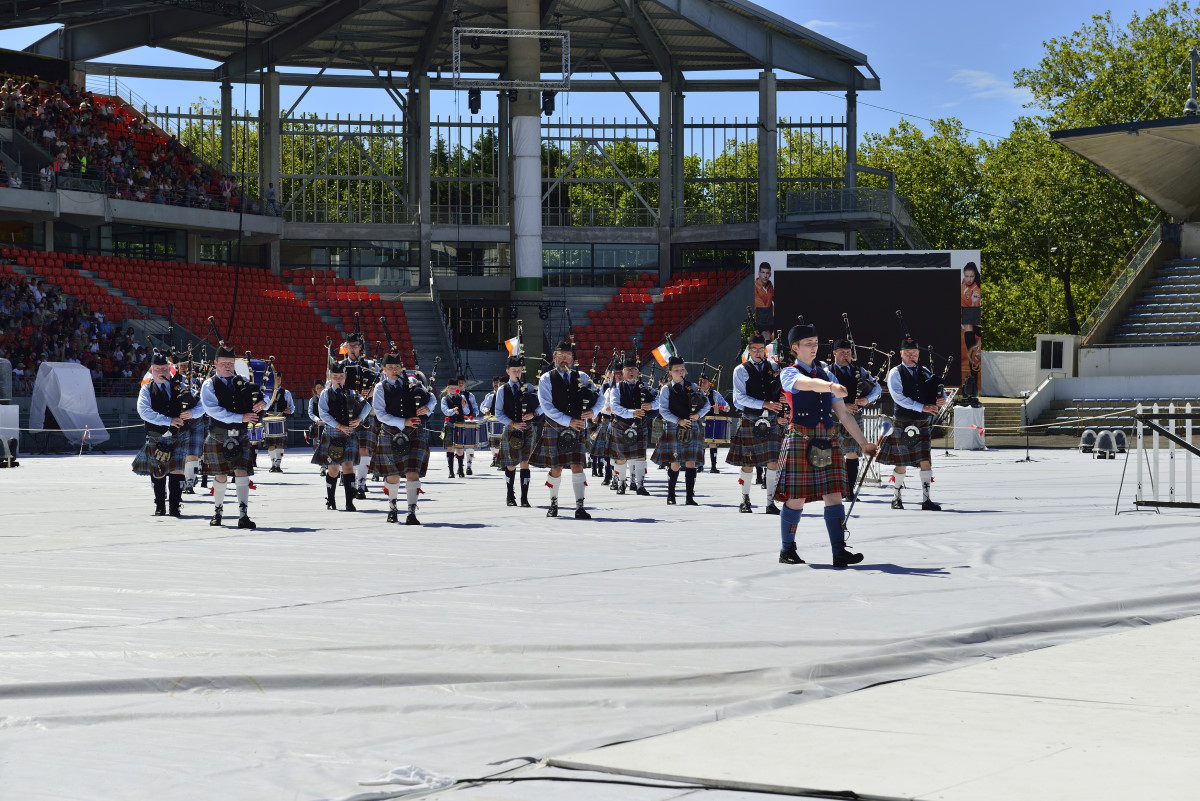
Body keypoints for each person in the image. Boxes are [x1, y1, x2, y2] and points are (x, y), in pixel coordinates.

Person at [774, 322, 877, 567]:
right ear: (795, 348)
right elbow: (806, 385)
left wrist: (863, 443)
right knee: (796, 498)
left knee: (833, 495)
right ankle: (787, 550)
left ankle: (839, 551)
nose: (814, 347)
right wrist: (831, 386)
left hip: (825, 440)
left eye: (816, 343)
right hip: (800, 437)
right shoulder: (789, 373)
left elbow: (843, 413)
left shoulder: (826, 373)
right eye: (808, 344)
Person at [200, 344, 268, 528]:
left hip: (241, 434)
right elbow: (214, 411)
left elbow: (260, 395)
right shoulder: (209, 385)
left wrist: (264, 403)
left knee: (242, 473)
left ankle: (243, 515)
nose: (228, 366)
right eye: (224, 363)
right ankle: (218, 512)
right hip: (219, 434)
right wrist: (241, 417)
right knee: (221, 475)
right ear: (215, 364)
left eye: (231, 363)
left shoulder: (243, 381)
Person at [879, 336, 947, 511]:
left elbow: (938, 389)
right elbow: (898, 398)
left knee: (926, 462)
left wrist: (942, 399)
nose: (912, 356)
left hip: (922, 423)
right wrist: (922, 407)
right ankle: (896, 498)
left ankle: (926, 500)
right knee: (901, 463)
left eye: (915, 353)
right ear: (901, 354)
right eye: (908, 353)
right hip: (903, 421)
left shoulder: (924, 371)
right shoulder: (895, 372)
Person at [531, 340, 597, 519]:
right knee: (556, 468)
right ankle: (553, 504)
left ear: (572, 358)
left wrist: (594, 411)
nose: (564, 359)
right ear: (554, 357)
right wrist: (569, 421)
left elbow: (599, 398)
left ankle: (580, 507)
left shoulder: (582, 377)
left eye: (567, 356)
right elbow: (546, 407)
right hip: (555, 426)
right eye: (560, 356)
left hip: (576, 428)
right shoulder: (546, 378)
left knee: (578, 466)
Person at [371, 353, 435, 524]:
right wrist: (403, 421)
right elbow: (380, 414)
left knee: (413, 473)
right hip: (391, 432)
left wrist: (427, 407)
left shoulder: (412, 381)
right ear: (384, 369)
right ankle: (392, 508)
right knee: (392, 475)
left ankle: (411, 512)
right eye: (390, 368)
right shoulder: (380, 388)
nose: (394, 370)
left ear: (401, 368)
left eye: (397, 367)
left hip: (414, 432)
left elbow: (432, 398)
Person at [131, 351, 196, 516]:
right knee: (158, 471)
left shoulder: (179, 386)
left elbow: (199, 404)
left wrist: (192, 413)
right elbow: (143, 411)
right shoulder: (146, 389)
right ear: (151, 370)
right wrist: (168, 420)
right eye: (157, 368)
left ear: (169, 369)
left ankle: (174, 507)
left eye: (164, 368)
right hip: (156, 435)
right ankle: (160, 505)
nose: (161, 371)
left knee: (177, 470)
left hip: (180, 435)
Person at [727, 334, 785, 514]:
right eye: (755, 349)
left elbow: (779, 391)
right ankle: (745, 500)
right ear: (749, 350)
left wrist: (782, 398)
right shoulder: (741, 370)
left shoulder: (774, 367)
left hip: (772, 420)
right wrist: (764, 404)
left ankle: (770, 502)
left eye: (762, 349)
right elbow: (739, 397)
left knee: (773, 462)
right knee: (748, 463)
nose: (759, 352)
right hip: (751, 418)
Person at [827, 339, 882, 500]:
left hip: (854, 417)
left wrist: (867, 399)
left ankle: (849, 492)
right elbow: (820, 398)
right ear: (834, 353)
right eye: (842, 353)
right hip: (833, 418)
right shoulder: (826, 372)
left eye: (848, 353)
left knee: (852, 454)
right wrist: (843, 406)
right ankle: (834, 491)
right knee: (833, 455)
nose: (846, 356)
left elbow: (877, 388)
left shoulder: (860, 371)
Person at [653, 356, 711, 505]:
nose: (680, 372)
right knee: (675, 462)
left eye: (682, 369)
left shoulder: (692, 387)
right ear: (670, 372)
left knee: (691, 462)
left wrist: (698, 415)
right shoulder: (666, 389)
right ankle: (671, 495)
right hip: (674, 426)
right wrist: (679, 421)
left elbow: (707, 404)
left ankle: (689, 497)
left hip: (692, 426)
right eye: (677, 370)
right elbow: (663, 411)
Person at [316, 360, 372, 512]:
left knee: (348, 467)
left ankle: (349, 502)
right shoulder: (325, 394)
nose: (338, 378)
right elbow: (323, 414)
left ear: (345, 376)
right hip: (334, 433)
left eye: (341, 375)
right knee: (333, 469)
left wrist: (360, 419)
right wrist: (339, 426)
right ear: (330, 376)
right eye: (335, 376)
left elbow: (367, 406)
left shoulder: (352, 392)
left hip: (349, 434)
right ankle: (331, 499)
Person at [493, 356, 540, 507]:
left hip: (527, 429)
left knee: (525, 462)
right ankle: (510, 495)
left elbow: (542, 405)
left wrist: (534, 414)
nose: (517, 373)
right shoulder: (502, 390)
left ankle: (524, 498)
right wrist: (513, 423)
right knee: (511, 463)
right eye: (514, 371)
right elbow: (498, 413)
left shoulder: (529, 388)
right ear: (508, 371)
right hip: (511, 429)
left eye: (519, 371)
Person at [608, 358, 654, 496]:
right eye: (628, 370)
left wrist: (651, 406)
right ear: (622, 372)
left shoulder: (646, 386)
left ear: (638, 372)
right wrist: (631, 412)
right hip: (622, 424)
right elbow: (614, 407)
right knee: (620, 457)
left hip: (640, 425)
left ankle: (640, 485)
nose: (631, 372)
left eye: (633, 369)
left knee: (640, 456)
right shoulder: (616, 387)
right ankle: (622, 483)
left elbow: (659, 402)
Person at [341, 333, 378, 498]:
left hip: (365, 410)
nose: (352, 348)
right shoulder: (340, 365)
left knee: (364, 449)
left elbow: (381, 386)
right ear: (346, 347)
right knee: (348, 449)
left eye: (355, 345)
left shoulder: (371, 365)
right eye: (350, 346)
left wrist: (371, 392)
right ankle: (350, 478)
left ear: (360, 346)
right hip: (344, 412)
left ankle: (361, 484)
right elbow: (331, 386)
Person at [172, 351, 208, 494]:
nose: (184, 368)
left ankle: (189, 483)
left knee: (192, 454)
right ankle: (178, 482)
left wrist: (194, 413)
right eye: (181, 365)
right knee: (178, 454)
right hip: (177, 421)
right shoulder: (171, 380)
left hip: (197, 420)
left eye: (187, 365)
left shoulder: (198, 380)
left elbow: (203, 401)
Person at [440, 374, 480, 477]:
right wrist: (453, 410)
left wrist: (464, 406)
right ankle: (451, 471)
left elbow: (466, 412)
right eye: (451, 388)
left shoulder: (462, 397)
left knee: (460, 448)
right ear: (448, 388)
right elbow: (445, 411)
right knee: (450, 448)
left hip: (460, 424)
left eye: (455, 387)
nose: (453, 389)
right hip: (449, 424)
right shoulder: (445, 399)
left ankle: (461, 469)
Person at [697, 373, 729, 474]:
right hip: (699, 420)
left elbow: (726, 406)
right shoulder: (696, 392)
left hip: (711, 420)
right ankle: (700, 466)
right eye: (701, 382)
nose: (702, 384)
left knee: (712, 443)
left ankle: (713, 467)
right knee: (700, 444)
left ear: (709, 383)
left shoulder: (715, 394)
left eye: (705, 382)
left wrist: (725, 408)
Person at [264, 380, 295, 473]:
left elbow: (292, 407)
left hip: (281, 419)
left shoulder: (286, 392)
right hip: (269, 419)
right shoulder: (266, 392)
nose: (277, 380)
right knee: (271, 444)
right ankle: (273, 464)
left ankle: (278, 465)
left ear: (281, 379)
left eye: (279, 378)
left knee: (280, 444)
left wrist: (290, 411)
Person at [479, 375, 503, 468]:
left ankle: (500, 458)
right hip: (492, 420)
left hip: (503, 420)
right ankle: (495, 457)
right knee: (492, 442)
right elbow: (483, 406)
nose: (496, 385)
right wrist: (485, 410)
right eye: (495, 383)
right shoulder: (490, 395)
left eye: (498, 383)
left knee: (501, 441)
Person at [307, 379, 325, 471]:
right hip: (318, 425)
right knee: (317, 445)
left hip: (328, 424)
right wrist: (317, 419)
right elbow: (310, 413)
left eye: (321, 387)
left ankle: (326, 464)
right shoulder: (312, 400)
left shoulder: (328, 398)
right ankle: (321, 465)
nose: (320, 389)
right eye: (318, 388)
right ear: (315, 389)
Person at [753, 261, 774, 332]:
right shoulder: (754, 287)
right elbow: (763, 308)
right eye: (763, 272)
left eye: (767, 273)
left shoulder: (770, 285)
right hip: (760, 321)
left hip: (770, 321)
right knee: (767, 338)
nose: (765, 276)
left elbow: (772, 301)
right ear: (759, 273)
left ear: (770, 274)